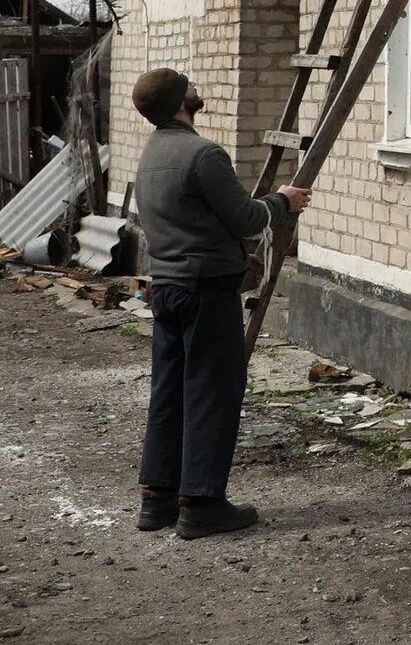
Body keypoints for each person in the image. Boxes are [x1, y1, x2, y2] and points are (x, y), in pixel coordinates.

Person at [129, 67, 310, 539]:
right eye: (188, 85)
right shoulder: (203, 153)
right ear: (179, 101)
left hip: (166, 288)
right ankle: (203, 504)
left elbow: (187, 219)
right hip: (205, 291)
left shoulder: (150, 154)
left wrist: (227, 250)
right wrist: (283, 200)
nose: (195, 88)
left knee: (168, 393)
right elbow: (246, 217)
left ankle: (158, 499)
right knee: (211, 391)